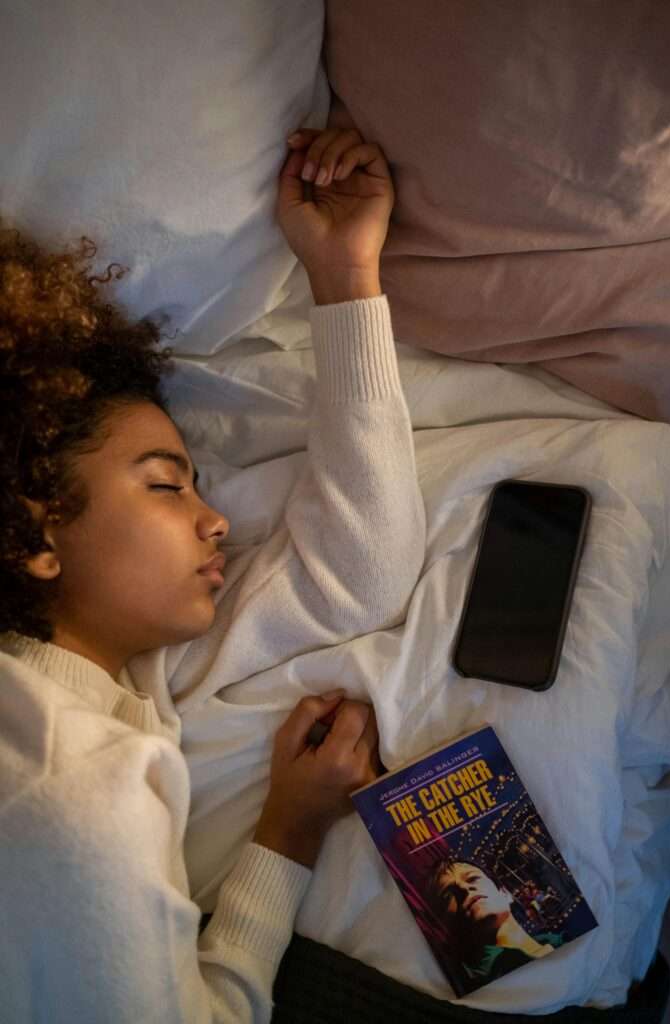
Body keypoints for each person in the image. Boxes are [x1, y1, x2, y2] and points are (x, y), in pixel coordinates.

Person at [0, 126, 426, 1022]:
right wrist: (290, 832)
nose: (215, 517)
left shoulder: (119, 685)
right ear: (38, 533)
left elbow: (358, 570)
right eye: (164, 485)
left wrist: (346, 281)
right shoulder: (74, 790)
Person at [431, 858, 564, 993]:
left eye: (472, 878)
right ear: (447, 922)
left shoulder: (562, 941)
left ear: (505, 894)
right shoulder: (475, 985)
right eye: (449, 895)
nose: (463, 888)